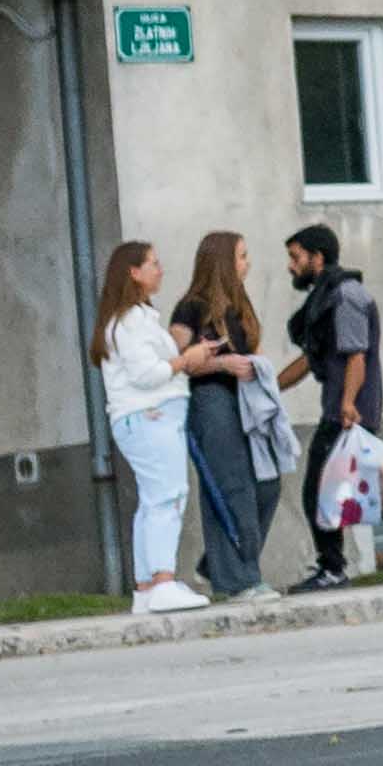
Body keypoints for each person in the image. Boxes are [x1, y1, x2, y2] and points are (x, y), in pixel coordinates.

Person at [93, 237, 205, 614]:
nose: (160, 270)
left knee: (153, 498)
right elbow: (146, 374)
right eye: (153, 263)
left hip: (145, 417)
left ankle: (146, 587)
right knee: (168, 496)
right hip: (150, 415)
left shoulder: (133, 318)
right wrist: (186, 359)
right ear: (133, 272)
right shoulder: (130, 321)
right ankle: (163, 581)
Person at [274, 225, 383, 591]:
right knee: (369, 487)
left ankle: (333, 569)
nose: (291, 266)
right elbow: (311, 359)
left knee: (317, 491)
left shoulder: (345, 296)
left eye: (296, 257)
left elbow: (356, 356)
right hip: (341, 407)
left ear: (317, 258)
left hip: (349, 411)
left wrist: (348, 404)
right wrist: (270, 388)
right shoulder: (324, 300)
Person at [170, 231, 268, 587]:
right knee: (232, 487)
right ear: (224, 262)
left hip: (245, 403)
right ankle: (241, 580)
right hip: (210, 401)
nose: (247, 264)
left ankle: (217, 563)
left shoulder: (238, 308)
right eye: (241, 256)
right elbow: (178, 363)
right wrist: (223, 364)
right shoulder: (191, 308)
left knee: (267, 484)